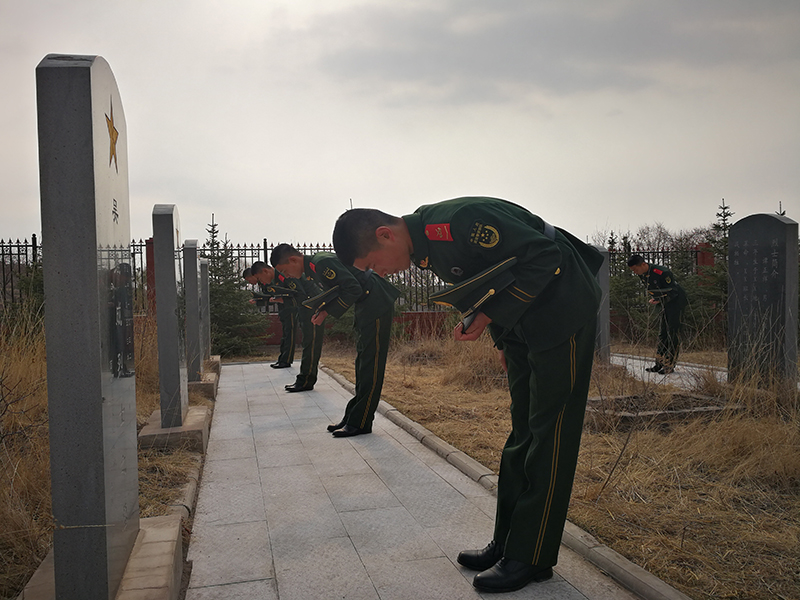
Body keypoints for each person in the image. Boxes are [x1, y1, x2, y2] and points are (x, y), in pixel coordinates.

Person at [332, 196, 602, 594]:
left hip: (562, 311)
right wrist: (503, 340)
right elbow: (493, 284)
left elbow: (545, 255)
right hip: (524, 325)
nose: (381, 274)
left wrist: (493, 319)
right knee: (521, 433)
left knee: (550, 435)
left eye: (374, 264)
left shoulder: (459, 222)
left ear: (385, 234)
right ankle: (509, 543)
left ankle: (532, 556)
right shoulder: (428, 250)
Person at [270, 244, 400, 437]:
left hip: (376, 302)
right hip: (368, 302)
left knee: (371, 363)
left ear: (293, 260)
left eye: (284, 271)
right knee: (363, 362)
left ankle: (362, 421)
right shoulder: (315, 267)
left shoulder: (321, 263)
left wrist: (326, 312)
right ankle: (354, 417)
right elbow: (343, 289)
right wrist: (323, 309)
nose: (286, 276)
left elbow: (352, 288)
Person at [254, 259, 323, 391]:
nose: (261, 281)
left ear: (265, 270)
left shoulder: (285, 276)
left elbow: (299, 295)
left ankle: (305, 380)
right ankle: (305, 379)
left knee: (311, 344)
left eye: (259, 277)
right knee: (308, 343)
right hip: (305, 308)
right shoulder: (281, 277)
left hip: (311, 308)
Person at [627, 254, 688, 375]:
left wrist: (660, 300)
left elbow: (673, 292)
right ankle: (659, 363)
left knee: (673, 333)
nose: (635, 272)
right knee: (663, 333)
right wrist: (657, 299)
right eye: (632, 270)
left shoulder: (662, 272)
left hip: (676, 302)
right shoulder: (643, 274)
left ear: (643, 264)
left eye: (635, 269)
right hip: (664, 304)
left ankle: (669, 364)